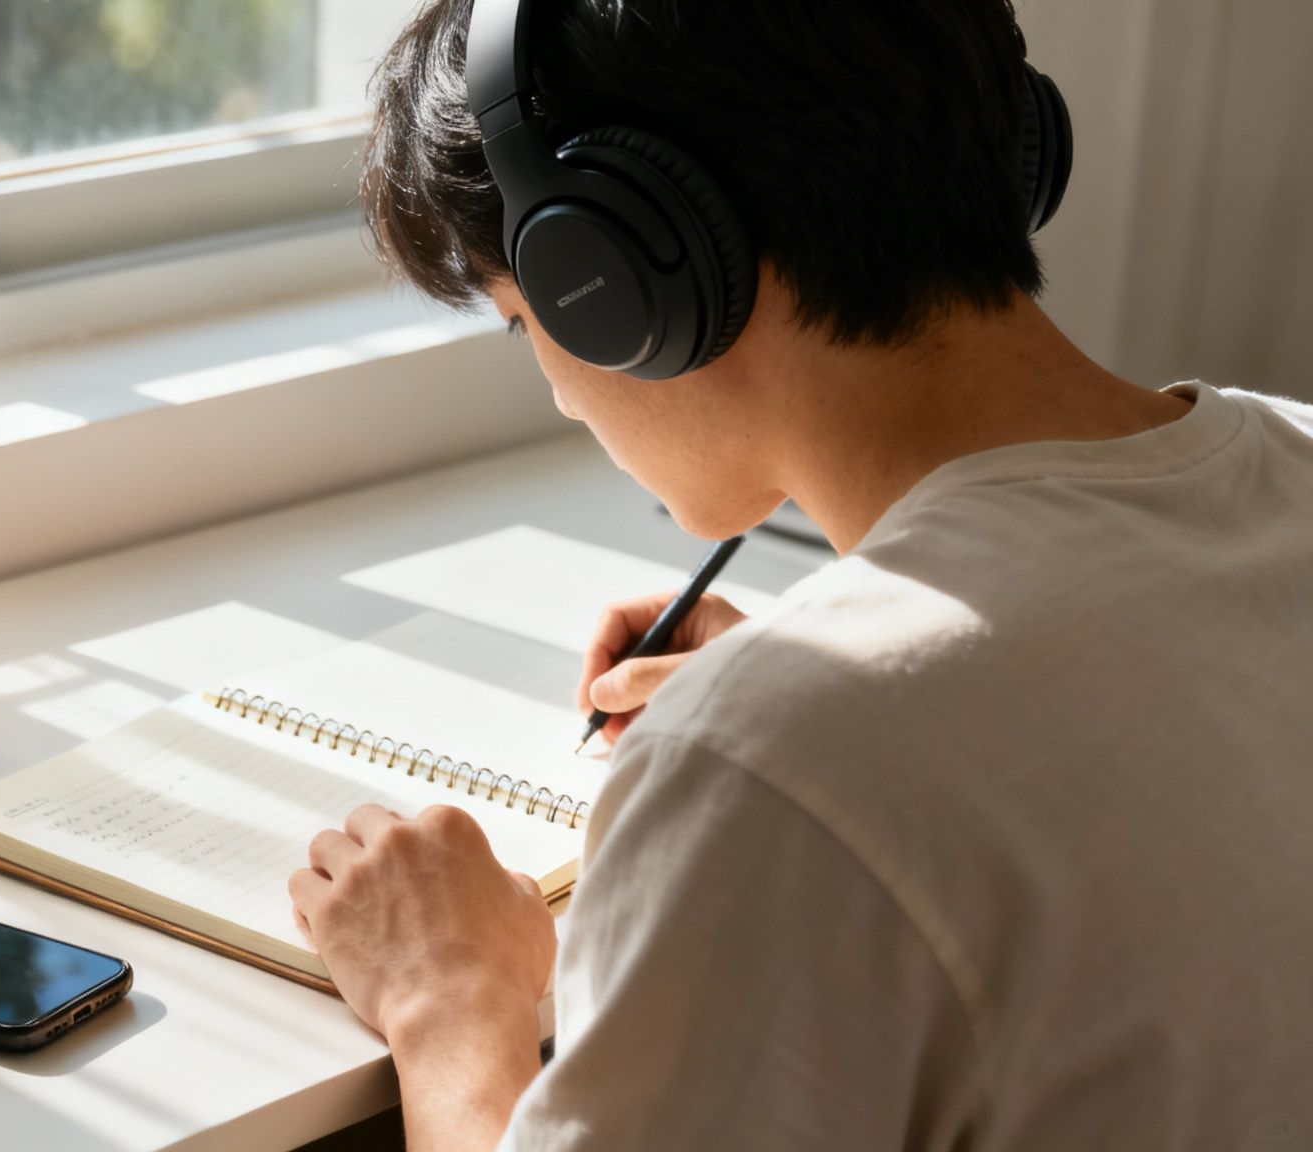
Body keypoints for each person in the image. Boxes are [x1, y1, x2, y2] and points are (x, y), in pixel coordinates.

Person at [284, 1, 1313, 1148]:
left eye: (530, 321)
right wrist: (829, 710)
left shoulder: (775, 765)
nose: (563, 393)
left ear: (621, 271)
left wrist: (446, 1003)